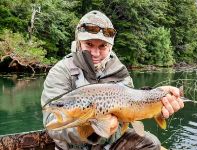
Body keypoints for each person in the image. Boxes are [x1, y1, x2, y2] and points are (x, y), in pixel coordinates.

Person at [41, 10, 184, 150]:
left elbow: (131, 108)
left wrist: (158, 95)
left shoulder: (119, 71)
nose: (95, 53)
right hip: (74, 147)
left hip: (108, 143)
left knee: (152, 143)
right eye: (89, 44)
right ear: (79, 43)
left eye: (102, 46)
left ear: (110, 46)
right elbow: (51, 125)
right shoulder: (61, 71)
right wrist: (92, 130)